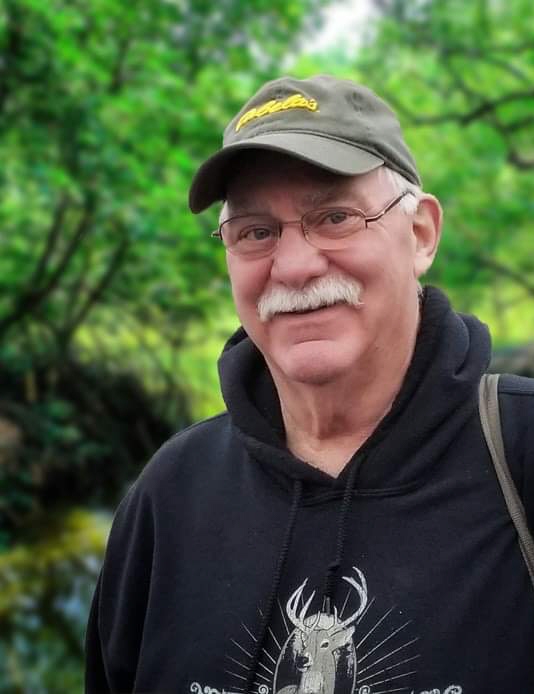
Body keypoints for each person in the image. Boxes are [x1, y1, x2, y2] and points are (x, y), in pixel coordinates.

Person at [85, 75, 534, 694]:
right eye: (255, 232)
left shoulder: (521, 456)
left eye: (335, 218)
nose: (294, 267)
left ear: (421, 234)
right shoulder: (171, 495)